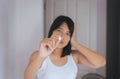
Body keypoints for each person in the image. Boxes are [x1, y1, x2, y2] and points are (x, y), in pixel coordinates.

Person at [24, 15, 106, 79]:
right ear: (52, 31)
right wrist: (41, 57)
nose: (62, 36)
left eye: (67, 33)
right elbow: (27, 77)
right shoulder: (38, 55)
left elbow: (101, 62)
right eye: (59, 30)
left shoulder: (74, 56)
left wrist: (75, 43)